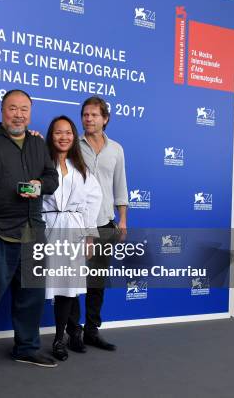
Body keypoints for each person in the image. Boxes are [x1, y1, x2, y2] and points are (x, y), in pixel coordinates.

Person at [0, 89, 59, 376]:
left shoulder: (36, 143)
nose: (18, 114)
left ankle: (27, 347)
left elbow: (52, 177)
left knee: (31, 295)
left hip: (32, 231)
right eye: (12, 108)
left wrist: (40, 185)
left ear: (29, 112)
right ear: (2, 111)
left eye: (24, 109)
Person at [42, 116, 102, 361]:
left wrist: (89, 235)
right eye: (58, 132)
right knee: (49, 284)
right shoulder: (42, 163)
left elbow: (92, 201)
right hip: (47, 228)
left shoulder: (82, 168)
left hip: (74, 230)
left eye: (68, 132)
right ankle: (68, 331)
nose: (63, 137)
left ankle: (60, 338)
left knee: (67, 288)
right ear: (51, 135)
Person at [79, 96, 128, 351]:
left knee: (96, 282)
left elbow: (120, 186)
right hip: (77, 225)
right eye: (85, 115)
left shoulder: (116, 149)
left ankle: (92, 331)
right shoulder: (72, 144)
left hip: (105, 224)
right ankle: (71, 333)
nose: (89, 119)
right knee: (70, 282)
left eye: (94, 115)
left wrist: (122, 219)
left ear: (105, 119)